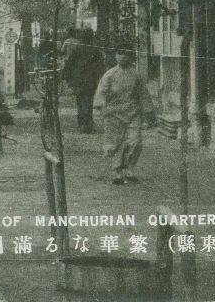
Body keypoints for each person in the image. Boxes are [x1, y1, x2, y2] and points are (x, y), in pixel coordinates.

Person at [93, 49, 155, 185]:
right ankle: (117, 173)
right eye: (120, 53)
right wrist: (100, 108)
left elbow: (142, 93)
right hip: (113, 113)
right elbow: (101, 93)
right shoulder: (109, 75)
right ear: (115, 56)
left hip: (132, 112)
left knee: (135, 141)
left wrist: (149, 112)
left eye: (126, 54)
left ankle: (129, 169)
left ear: (131, 56)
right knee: (115, 144)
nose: (123, 57)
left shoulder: (136, 74)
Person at [60, 29, 106, 133]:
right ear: (91, 37)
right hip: (91, 79)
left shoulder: (77, 49)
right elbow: (100, 65)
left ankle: (82, 123)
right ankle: (87, 123)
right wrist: (101, 77)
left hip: (79, 79)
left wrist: (65, 76)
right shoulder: (95, 50)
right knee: (88, 101)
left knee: (80, 101)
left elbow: (69, 63)